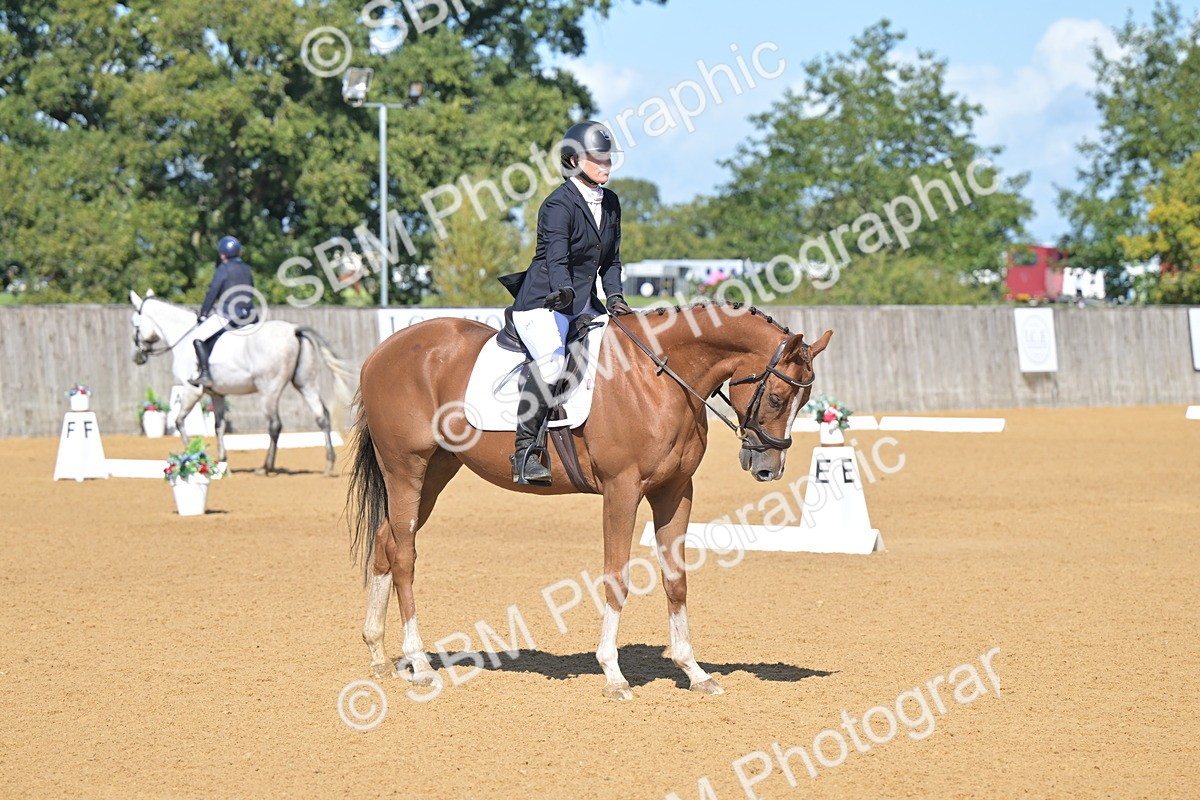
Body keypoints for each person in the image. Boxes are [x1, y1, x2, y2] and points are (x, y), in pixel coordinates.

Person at [503, 120, 633, 485]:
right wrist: (562, 291)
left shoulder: (611, 202)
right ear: (574, 160)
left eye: (608, 158)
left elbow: (611, 261)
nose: (605, 164)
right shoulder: (558, 205)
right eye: (597, 158)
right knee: (551, 363)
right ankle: (525, 451)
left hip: (584, 302)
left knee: (625, 348)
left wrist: (616, 297)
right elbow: (556, 259)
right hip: (544, 302)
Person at [191, 236, 256, 388]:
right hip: (250, 316)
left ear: (222, 254)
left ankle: (205, 374)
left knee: (198, 337)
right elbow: (251, 290)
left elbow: (212, 292)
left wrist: (203, 314)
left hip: (230, 315)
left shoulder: (223, 268)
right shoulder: (247, 269)